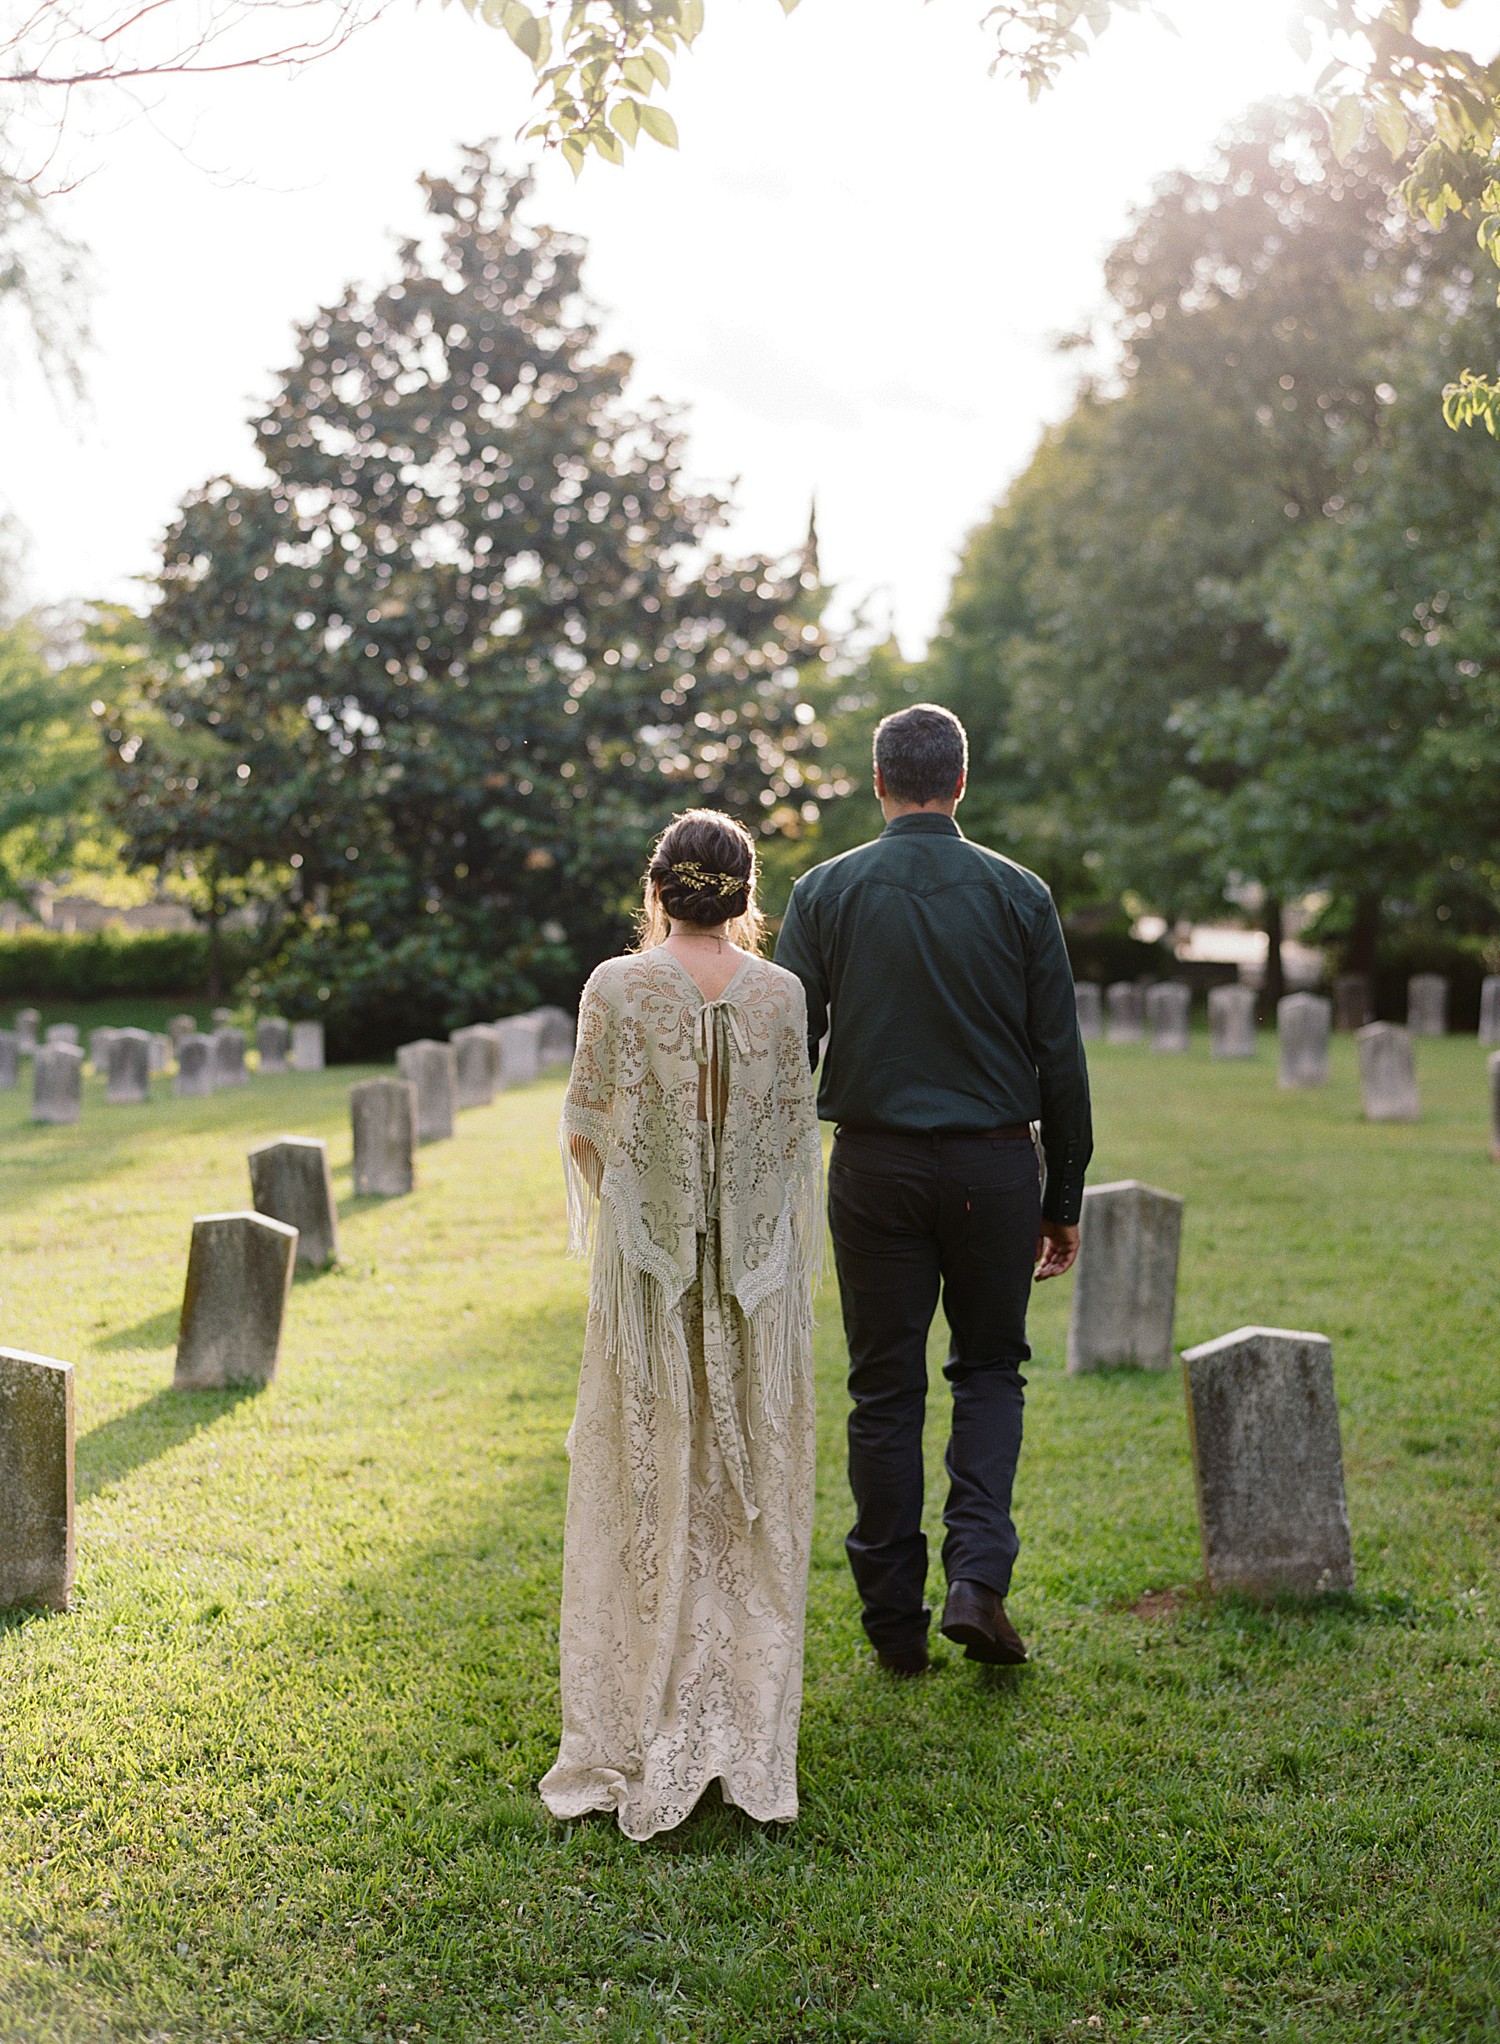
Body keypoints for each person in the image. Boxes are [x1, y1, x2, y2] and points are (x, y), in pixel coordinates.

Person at [774, 704, 1092, 1677]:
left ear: (878, 783)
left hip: (872, 1167)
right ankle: (977, 1577)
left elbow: (787, 1048)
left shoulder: (824, 891)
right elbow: (1059, 1059)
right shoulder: (1020, 894)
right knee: (990, 1369)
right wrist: (1064, 1194)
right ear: (961, 781)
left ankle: (891, 1621)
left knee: (884, 1386)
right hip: (996, 1166)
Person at [539, 809, 823, 1840]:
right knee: (743, 1490)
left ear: (657, 887)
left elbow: (586, 1131)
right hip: (754, 1283)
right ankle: (741, 1720)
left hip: (649, 1281)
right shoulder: (784, 996)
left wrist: (653, 1198)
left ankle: (636, 1713)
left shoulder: (615, 987)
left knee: (649, 1474)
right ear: (747, 895)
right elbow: (792, 1145)